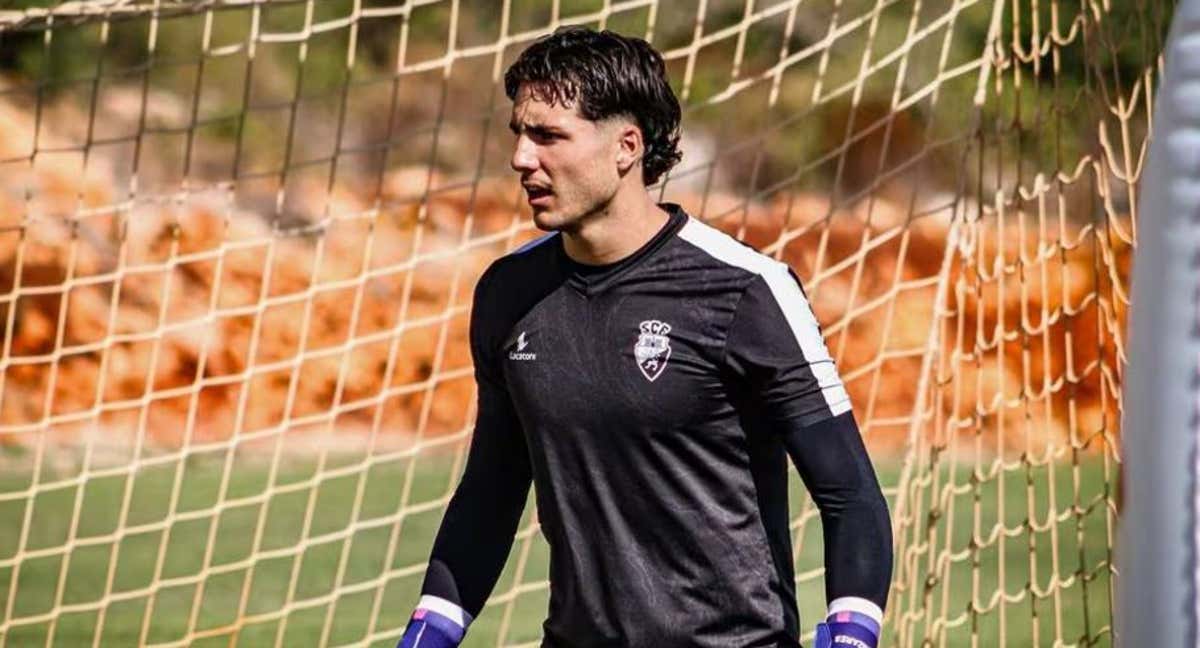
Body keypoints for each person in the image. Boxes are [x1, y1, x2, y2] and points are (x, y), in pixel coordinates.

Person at [398, 26, 892, 648]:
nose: (522, 158)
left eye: (549, 135)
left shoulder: (748, 290)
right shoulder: (507, 291)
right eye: (519, 134)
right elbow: (492, 489)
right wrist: (431, 629)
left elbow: (849, 494)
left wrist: (851, 631)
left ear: (626, 146)